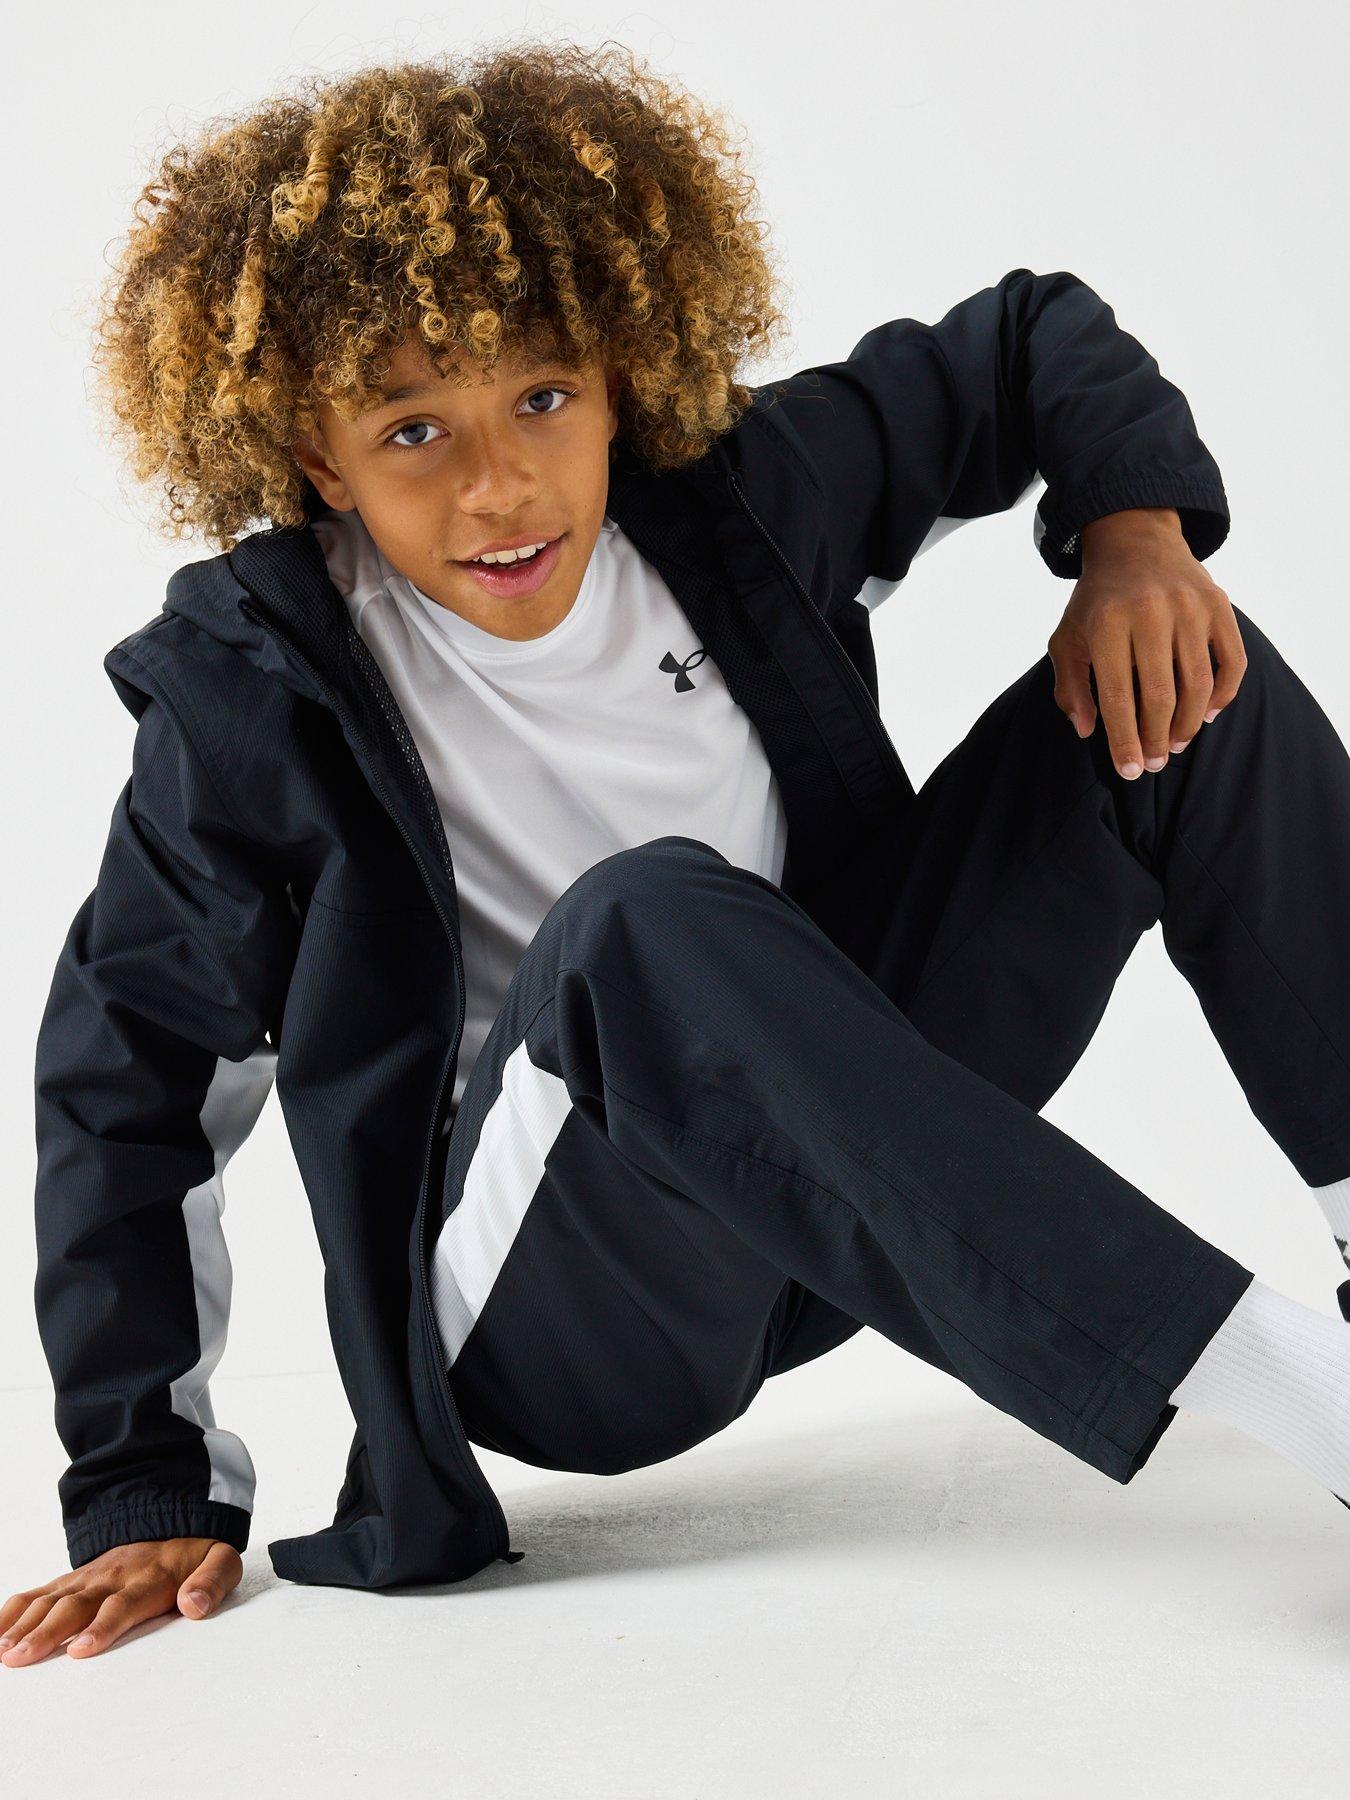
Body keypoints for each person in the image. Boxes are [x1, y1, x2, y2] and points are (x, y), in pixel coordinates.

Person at [5, 40, 1350, 1671]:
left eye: (542, 399)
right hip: (573, 1316)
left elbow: (1025, 341)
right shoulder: (252, 700)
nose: (499, 485)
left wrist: (1136, 543)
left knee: (1188, 687)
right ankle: (1302, 1399)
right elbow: (126, 1088)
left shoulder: (740, 505)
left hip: (849, 1190)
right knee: (644, 918)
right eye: (411, 430)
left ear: (617, 378)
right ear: (313, 459)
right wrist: (144, 1481)